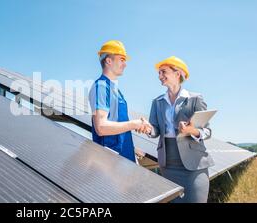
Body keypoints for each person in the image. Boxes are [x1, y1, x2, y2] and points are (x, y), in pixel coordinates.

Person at [146, 56, 215, 203]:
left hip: (194, 165)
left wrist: (191, 130)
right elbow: (155, 129)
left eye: (163, 72)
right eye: (159, 73)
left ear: (177, 74)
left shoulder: (195, 99)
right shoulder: (157, 102)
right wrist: (147, 129)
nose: (160, 76)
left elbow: (207, 131)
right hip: (168, 164)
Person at [89, 40, 150, 162]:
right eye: (122, 59)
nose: (125, 64)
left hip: (123, 159)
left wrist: (131, 148)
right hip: (110, 163)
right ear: (108, 61)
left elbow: (117, 126)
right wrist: (135, 124)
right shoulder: (101, 87)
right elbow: (101, 127)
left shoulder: (115, 90)